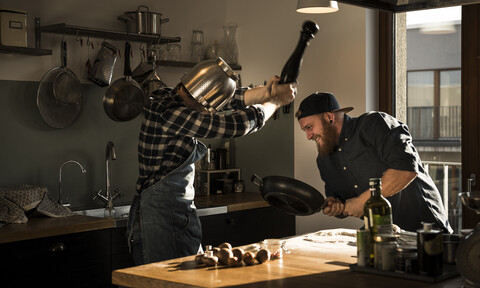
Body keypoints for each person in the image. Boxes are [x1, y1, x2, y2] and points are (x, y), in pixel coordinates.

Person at [127, 60, 297, 265]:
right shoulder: (171, 114)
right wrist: (275, 102)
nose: (210, 112)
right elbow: (235, 126)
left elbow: (233, 99)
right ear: (200, 99)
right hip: (162, 218)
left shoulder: (167, 96)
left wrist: (267, 92)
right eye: (209, 107)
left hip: (168, 213)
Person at [295, 92, 452, 233]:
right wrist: (336, 206)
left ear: (329, 117)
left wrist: (362, 202)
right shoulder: (324, 160)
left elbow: (405, 170)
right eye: (305, 131)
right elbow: (344, 206)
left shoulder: (374, 124)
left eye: (310, 127)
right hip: (380, 234)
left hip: (424, 229)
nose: (309, 136)